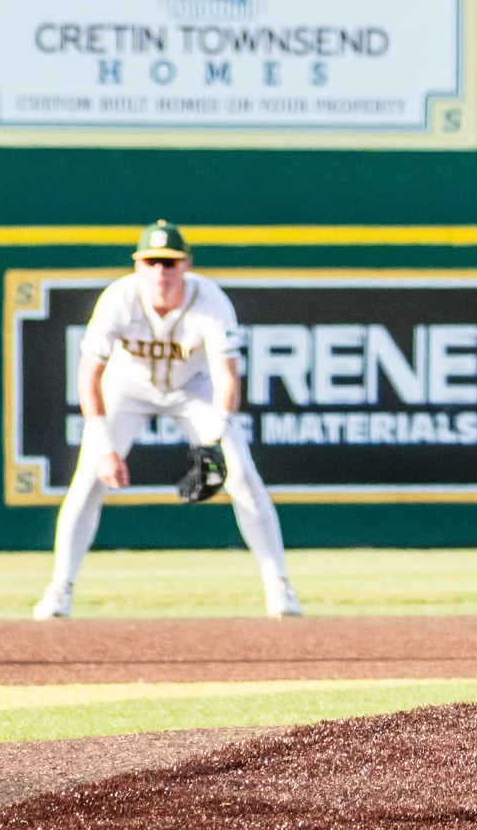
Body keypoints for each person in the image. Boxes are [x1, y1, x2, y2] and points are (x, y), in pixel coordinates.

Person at [33, 221, 300, 620]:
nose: (161, 272)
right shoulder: (118, 299)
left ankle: (278, 584)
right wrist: (105, 447)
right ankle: (60, 588)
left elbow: (228, 379)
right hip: (128, 386)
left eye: (170, 262)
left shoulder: (210, 301)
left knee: (241, 474)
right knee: (88, 478)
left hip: (194, 387)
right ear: (138, 265)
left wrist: (211, 444)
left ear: (186, 264)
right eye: (152, 261)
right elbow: (88, 377)